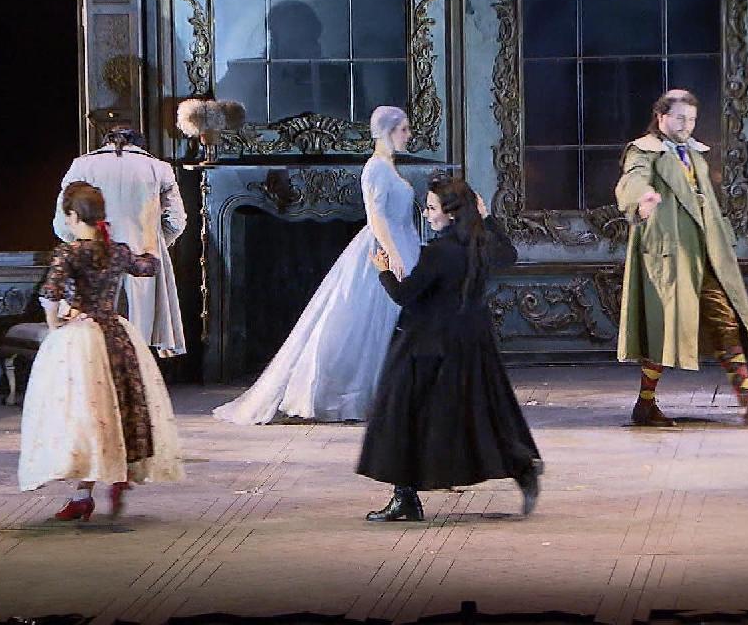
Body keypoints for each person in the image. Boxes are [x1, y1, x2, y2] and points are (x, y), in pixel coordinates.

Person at [212, 106, 423, 424]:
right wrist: (392, 253)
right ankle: (351, 394)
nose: (408, 135)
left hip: (403, 244)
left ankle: (396, 392)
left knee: (387, 321)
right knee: (367, 322)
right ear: (388, 131)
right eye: (403, 129)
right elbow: (376, 216)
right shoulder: (376, 168)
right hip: (386, 248)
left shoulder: (388, 167)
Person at [357, 176, 542, 521]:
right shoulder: (479, 243)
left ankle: (405, 497)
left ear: (451, 213)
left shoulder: (439, 253)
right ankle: (521, 468)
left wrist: (383, 271)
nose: (427, 214)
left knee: (402, 413)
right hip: (470, 341)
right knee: (477, 414)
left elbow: (404, 295)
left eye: (432, 208)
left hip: (427, 344)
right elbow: (509, 254)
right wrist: (487, 218)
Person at [614, 89, 748, 426]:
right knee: (662, 329)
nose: (686, 125)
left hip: (703, 254)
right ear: (661, 117)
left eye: (691, 119)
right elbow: (632, 179)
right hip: (669, 256)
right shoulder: (645, 151)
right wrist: (642, 199)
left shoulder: (695, 154)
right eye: (680, 118)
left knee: (724, 319)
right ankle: (645, 404)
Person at [19, 182, 184, 520]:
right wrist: (149, 228)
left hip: (82, 342)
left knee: (84, 416)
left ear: (73, 216)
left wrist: (55, 325)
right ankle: (108, 481)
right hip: (116, 337)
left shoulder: (69, 252)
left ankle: (85, 493)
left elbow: (50, 294)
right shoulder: (117, 251)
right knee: (116, 410)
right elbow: (148, 266)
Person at [54, 127, 188, 357]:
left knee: (91, 342)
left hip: (93, 264)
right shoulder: (159, 168)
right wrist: (153, 243)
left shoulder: (82, 166)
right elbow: (176, 222)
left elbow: (61, 223)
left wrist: (83, 247)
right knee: (136, 340)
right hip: (141, 261)